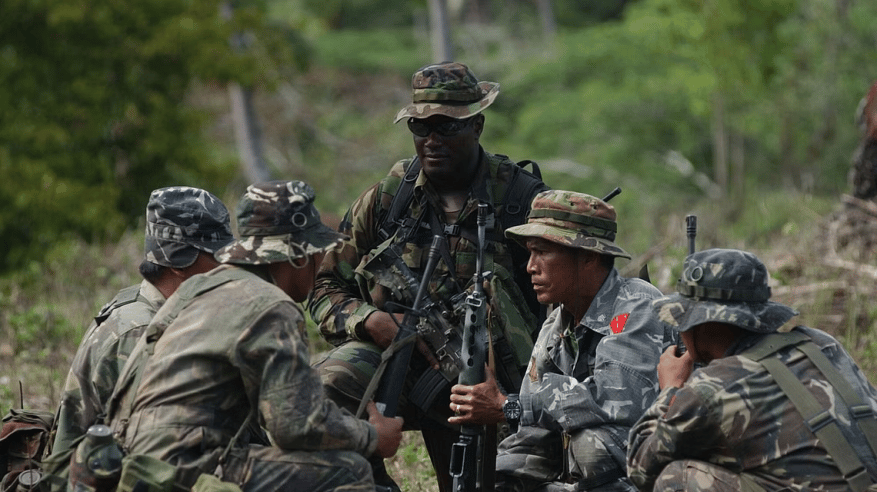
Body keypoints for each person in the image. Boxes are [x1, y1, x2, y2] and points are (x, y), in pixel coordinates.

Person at [308, 61, 549, 491]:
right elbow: (325, 285)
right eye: (420, 129)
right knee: (328, 385)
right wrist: (369, 321)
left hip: (491, 380)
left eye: (446, 127)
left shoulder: (520, 201)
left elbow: (566, 307)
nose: (432, 140)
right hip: (399, 365)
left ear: (477, 125)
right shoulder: (389, 199)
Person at [106, 181, 404, 491]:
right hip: (185, 469)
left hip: (134, 465)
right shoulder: (271, 305)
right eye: (318, 255)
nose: (320, 269)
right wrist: (372, 437)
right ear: (299, 257)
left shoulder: (198, 289)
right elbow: (294, 426)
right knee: (350, 470)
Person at [627, 248, 877, 491]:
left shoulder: (713, 386)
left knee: (675, 478)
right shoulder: (821, 344)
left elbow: (640, 468)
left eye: (680, 318)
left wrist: (670, 389)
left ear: (700, 323)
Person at [491, 190, 676, 492]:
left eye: (543, 252)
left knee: (590, 447)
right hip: (594, 457)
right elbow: (534, 419)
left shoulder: (636, 306)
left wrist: (512, 407)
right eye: (530, 253)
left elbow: (616, 400)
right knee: (503, 467)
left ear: (589, 256)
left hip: (653, 453)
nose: (530, 266)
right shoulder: (556, 322)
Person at [46, 187, 234, 466]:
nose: (226, 267)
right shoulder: (140, 332)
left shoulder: (155, 306)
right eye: (217, 257)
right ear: (180, 262)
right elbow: (157, 446)